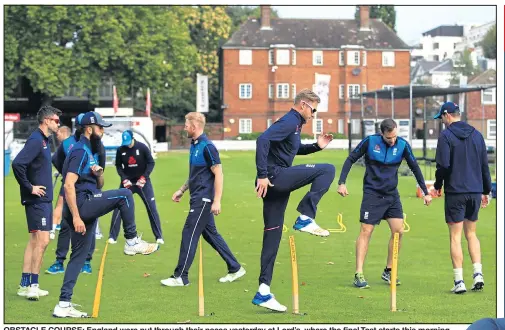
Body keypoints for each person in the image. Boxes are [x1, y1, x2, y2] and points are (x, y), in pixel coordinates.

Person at [53, 111, 159, 318]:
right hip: (82, 204)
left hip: (84, 202)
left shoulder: (88, 150)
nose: (103, 131)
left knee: (78, 256)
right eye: (101, 128)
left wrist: (98, 175)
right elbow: (68, 184)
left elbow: (96, 183)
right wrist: (76, 216)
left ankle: (63, 304)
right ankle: (131, 241)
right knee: (125, 195)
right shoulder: (80, 150)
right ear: (89, 129)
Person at [252, 89, 335, 312]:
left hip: (273, 185)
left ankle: (263, 291)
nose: (314, 114)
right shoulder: (291, 120)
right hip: (274, 177)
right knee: (327, 169)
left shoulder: (295, 125)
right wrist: (262, 174)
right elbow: (262, 140)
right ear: (303, 105)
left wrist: (316, 147)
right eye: (314, 109)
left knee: (273, 234)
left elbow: (293, 149)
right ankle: (306, 217)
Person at [337, 118, 432, 289]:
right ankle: (358, 273)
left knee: (399, 231)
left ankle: (388, 271)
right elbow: (350, 159)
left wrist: (425, 192)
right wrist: (342, 182)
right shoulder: (370, 142)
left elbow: (415, 167)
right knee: (366, 231)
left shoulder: (402, 144)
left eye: (395, 136)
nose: (393, 140)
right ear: (382, 134)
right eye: (389, 138)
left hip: (391, 195)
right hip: (372, 194)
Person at [160, 112, 245, 287]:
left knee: (189, 232)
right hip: (196, 197)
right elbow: (195, 174)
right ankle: (235, 267)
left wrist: (217, 200)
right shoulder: (194, 145)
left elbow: (219, 174)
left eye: (186, 124)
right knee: (210, 234)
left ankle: (180, 276)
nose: (184, 127)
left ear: (195, 126)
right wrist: (182, 190)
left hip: (204, 200)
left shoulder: (208, 147)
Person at [431, 101, 491, 294]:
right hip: (474, 191)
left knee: (455, 236)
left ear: (447, 115)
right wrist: (486, 191)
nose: (442, 121)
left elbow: (443, 166)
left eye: (441, 117)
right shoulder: (477, 135)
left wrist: (438, 186)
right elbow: (484, 166)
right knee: (471, 234)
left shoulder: (446, 136)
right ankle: (478, 274)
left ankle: (459, 281)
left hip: (456, 192)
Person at [12, 105, 62, 300]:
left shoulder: (43, 140)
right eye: (56, 120)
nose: (58, 124)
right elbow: (17, 164)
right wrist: (30, 187)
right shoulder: (35, 140)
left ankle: (25, 285)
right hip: (37, 200)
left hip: (42, 201)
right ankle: (33, 285)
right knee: (43, 241)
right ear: (47, 121)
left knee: (35, 241)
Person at [46, 114, 105, 275]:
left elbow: (102, 168)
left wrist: (97, 176)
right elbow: (56, 160)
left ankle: (86, 261)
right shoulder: (68, 144)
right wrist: (68, 174)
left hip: (91, 191)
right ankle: (60, 261)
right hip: (71, 187)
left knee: (90, 224)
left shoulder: (98, 146)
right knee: (66, 224)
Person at [108, 130, 163, 244]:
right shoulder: (121, 150)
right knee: (118, 206)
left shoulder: (142, 147)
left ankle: (159, 236)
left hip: (143, 182)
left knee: (151, 207)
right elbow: (118, 165)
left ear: (133, 138)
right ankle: (112, 236)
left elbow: (151, 163)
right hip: (127, 182)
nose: (127, 144)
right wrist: (124, 178)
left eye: (128, 142)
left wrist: (144, 177)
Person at [51, 126, 72, 239]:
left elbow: (54, 159)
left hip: (67, 179)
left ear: (64, 132)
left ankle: (53, 230)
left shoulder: (64, 145)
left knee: (60, 204)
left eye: (58, 133)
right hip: (77, 179)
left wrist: (62, 171)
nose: (57, 135)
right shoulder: (75, 142)